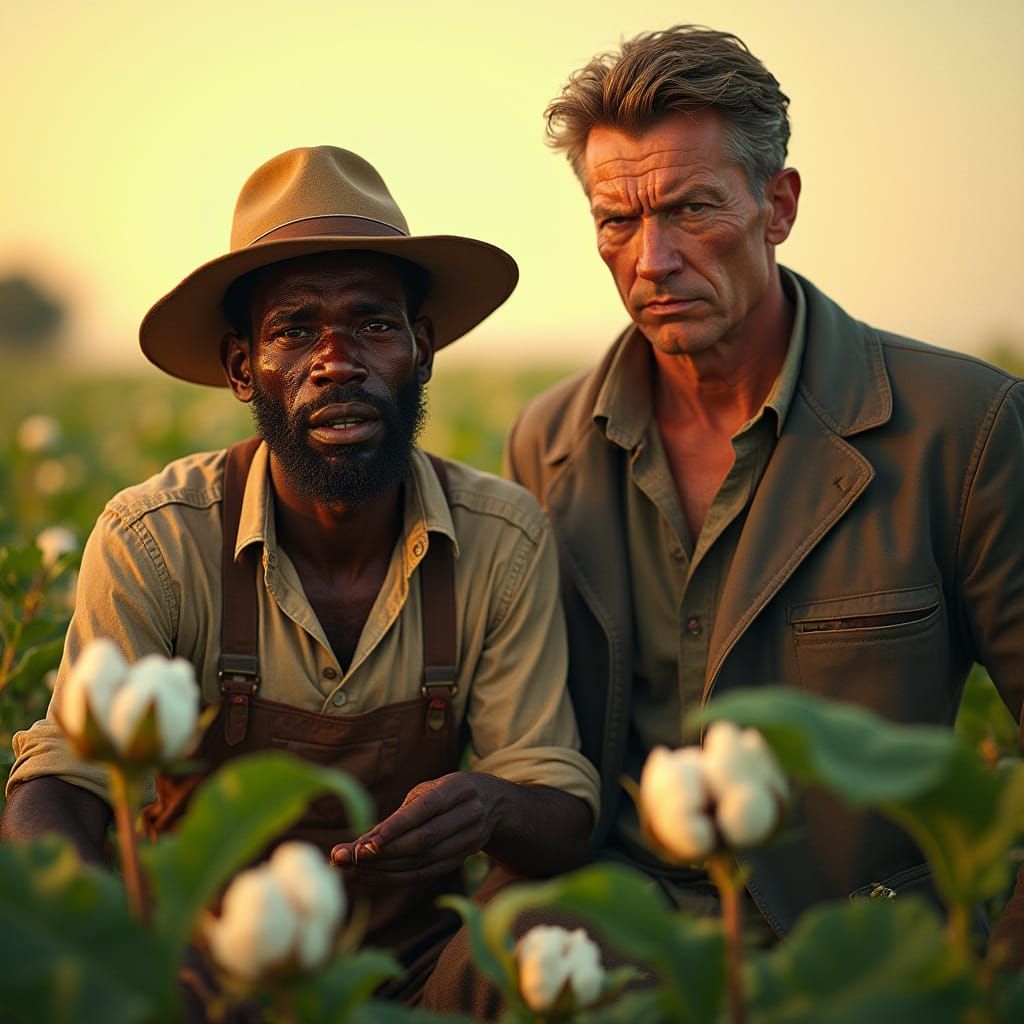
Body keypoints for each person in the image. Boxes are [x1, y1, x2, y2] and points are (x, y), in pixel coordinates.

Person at [2, 145, 600, 1006]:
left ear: (421, 348)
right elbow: (57, 786)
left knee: (558, 935)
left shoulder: (501, 539)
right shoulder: (157, 538)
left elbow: (560, 805)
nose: (337, 361)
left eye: (375, 324)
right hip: (199, 975)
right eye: (293, 331)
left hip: (418, 973)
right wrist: (120, 948)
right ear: (243, 366)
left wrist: (492, 806)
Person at [505, 25, 1024, 966]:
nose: (651, 260)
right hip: (617, 953)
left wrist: (991, 985)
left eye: (693, 208)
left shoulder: (966, 425)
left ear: (777, 206)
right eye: (616, 222)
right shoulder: (545, 445)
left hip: (865, 962)